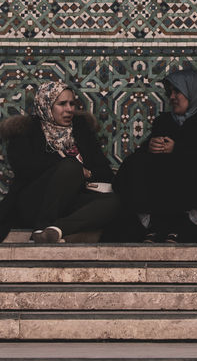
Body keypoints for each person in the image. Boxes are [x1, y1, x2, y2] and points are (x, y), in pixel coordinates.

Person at [114, 68, 197, 242]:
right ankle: (157, 223)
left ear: (194, 91)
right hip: (169, 193)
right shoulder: (166, 121)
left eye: (177, 91)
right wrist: (151, 147)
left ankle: (189, 224)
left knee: (196, 167)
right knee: (138, 164)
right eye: (170, 92)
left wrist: (178, 149)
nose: (171, 97)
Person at [0, 80, 121, 243]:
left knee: (115, 202)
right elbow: (24, 168)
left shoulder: (81, 130)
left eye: (72, 104)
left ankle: (56, 230)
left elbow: (104, 171)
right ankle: (42, 226)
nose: (69, 109)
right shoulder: (27, 130)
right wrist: (72, 170)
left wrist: (86, 173)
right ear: (47, 105)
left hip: (71, 201)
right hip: (36, 200)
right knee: (71, 166)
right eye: (62, 104)